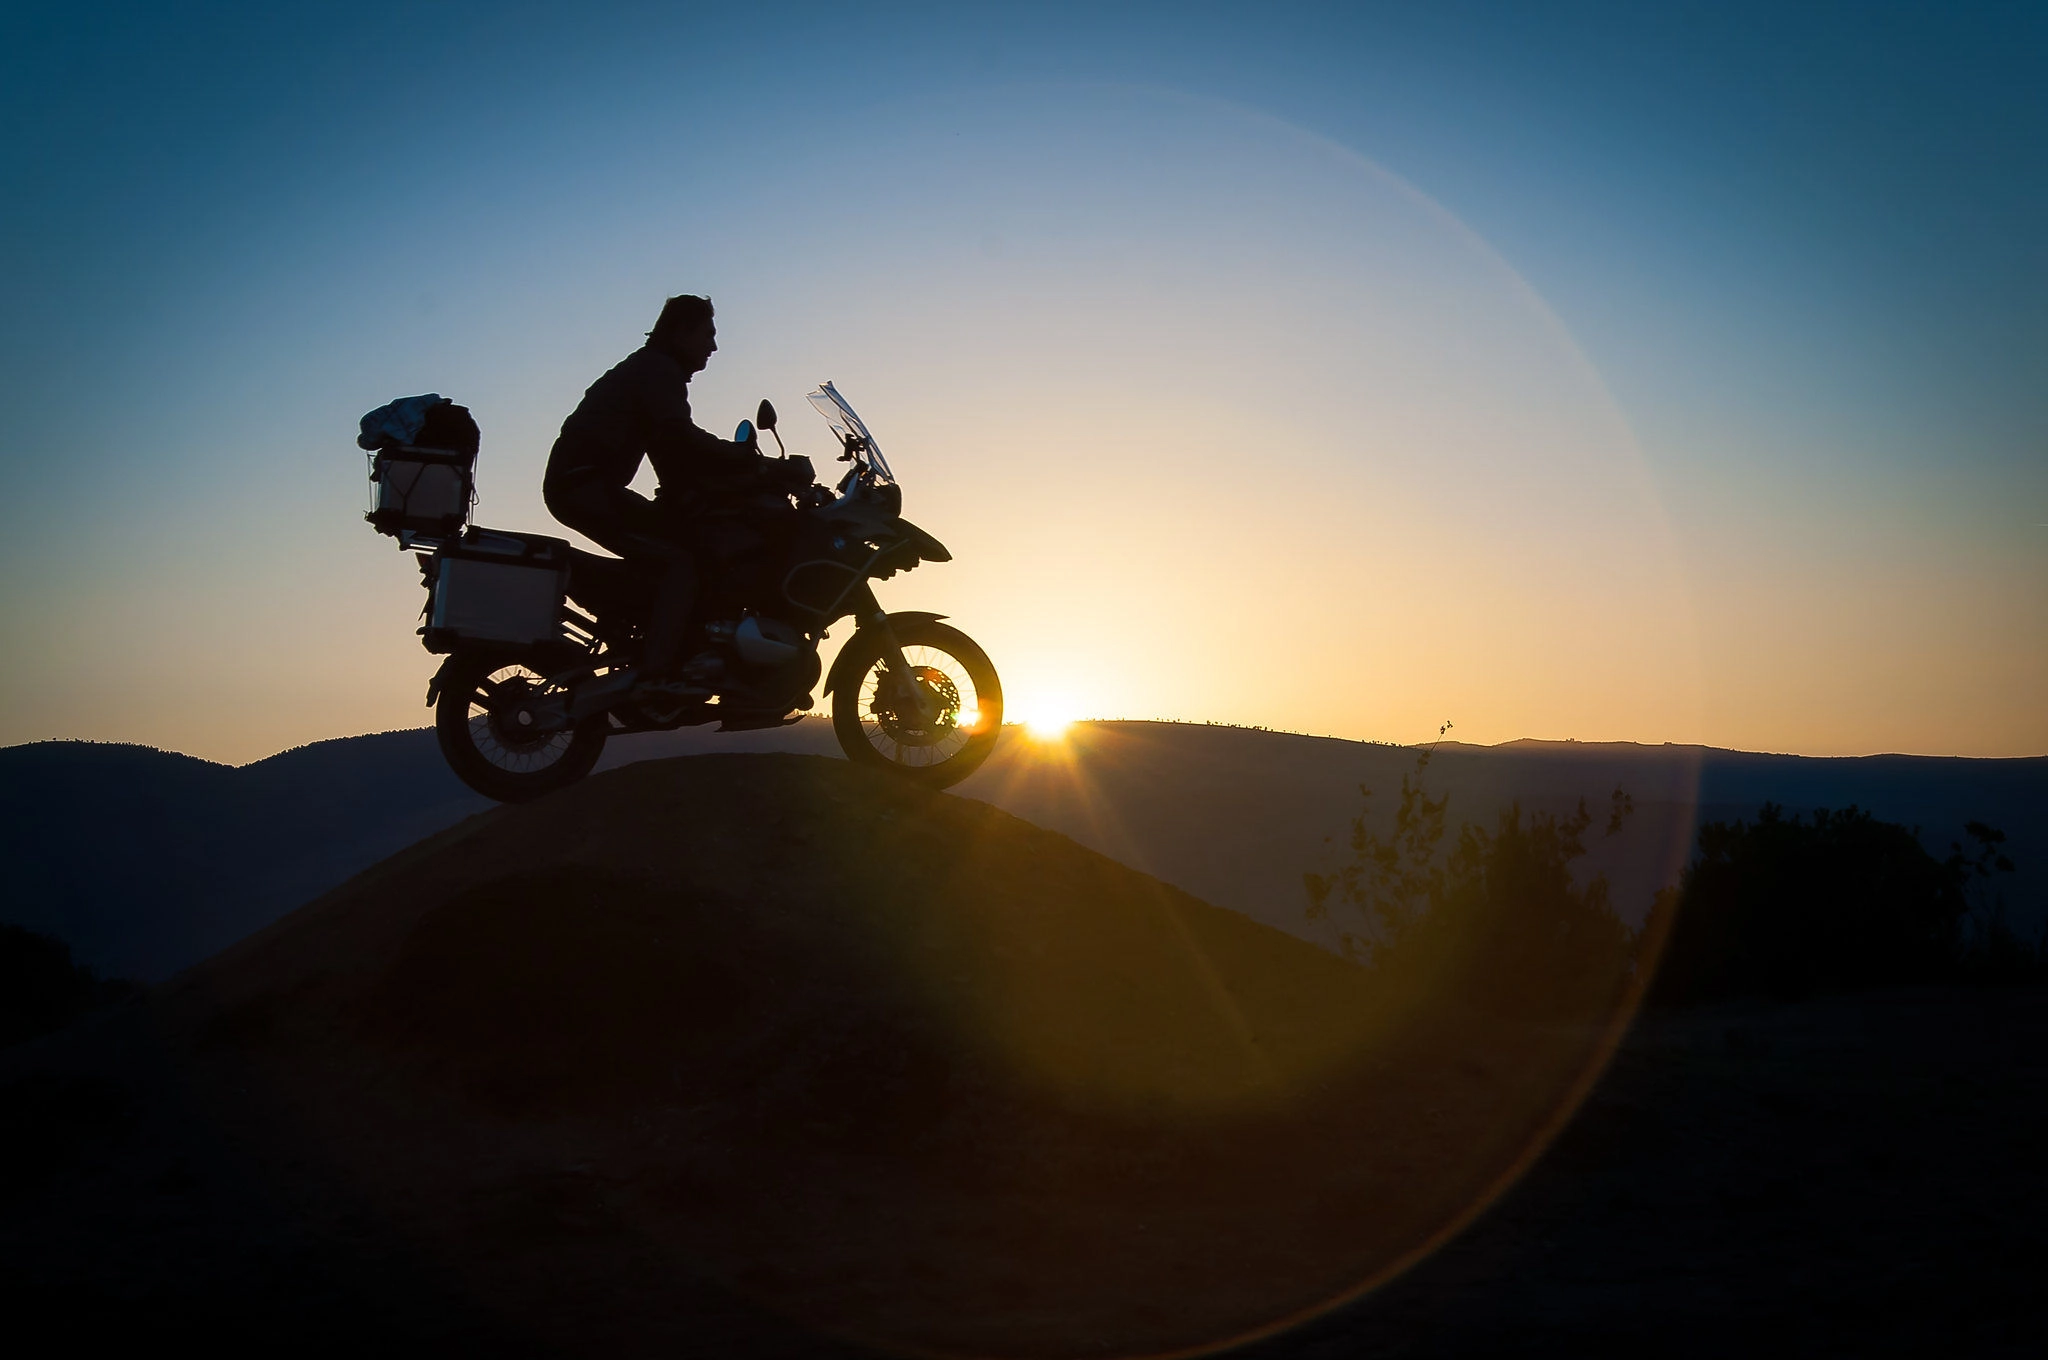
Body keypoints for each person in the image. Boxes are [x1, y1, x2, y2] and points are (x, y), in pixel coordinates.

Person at [542, 294, 806, 678]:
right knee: (681, 561)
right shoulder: (657, 371)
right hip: (584, 488)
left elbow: (669, 452)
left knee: (684, 536)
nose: (714, 346)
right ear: (682, 331)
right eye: (708, 334)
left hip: (584, 485)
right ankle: (658, 669)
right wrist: (749, 461)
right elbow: (680, 440)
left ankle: (662, 635)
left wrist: (709, 483)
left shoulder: (651, 370)